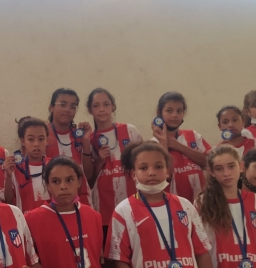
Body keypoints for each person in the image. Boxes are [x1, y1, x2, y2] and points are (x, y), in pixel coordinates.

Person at [106, 141, 220, 268]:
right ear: (133, 174)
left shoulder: (186, 206)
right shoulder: (122, 212)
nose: (151, 172)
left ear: (168, 171)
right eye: (143, 167)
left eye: (158, 166)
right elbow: (120, 264)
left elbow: (202, 255)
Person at [25, 156, 107, 268]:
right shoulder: (32, 220)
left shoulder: (93, 216)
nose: (63, 186)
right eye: (56, 181)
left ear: (79, 182)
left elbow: (96, 263)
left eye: (69, 180)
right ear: (47, 185)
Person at [86, 88, 143, 227]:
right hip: (104, 208)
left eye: (106, 104)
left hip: (134, 203)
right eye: (96, 105)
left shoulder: (130, 131)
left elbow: (145, 164)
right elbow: (89, 181)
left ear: (113, 106)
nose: (101, 109)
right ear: (90, 110)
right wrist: (99, 162)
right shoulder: (89, 139)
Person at [151, 91, 211, 203]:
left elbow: (209, 163)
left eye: (179, 111)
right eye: (169, 110)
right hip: (171, 205)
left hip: (201, 204)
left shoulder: (193, 136)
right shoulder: (152, 145)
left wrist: (180, 147)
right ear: (159, 113)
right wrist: (163, 144)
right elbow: (164, 177)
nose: (175, 115)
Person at [45, 88, 93, 205]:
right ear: (51, 107)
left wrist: (86, 142)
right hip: (52, 202)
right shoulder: (42, 136)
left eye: (73, 106)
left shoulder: (79, 135)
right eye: (63, 104)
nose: (68, 110)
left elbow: (88, 175)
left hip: (82, 200)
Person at [3, 117, 50, 213]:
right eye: (31, 139)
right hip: (26, 223)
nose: (36, 144)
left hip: (51, 220)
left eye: (41, 139)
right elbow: (8, 201)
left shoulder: (54, 166)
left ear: (47, 140)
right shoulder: (15, 168)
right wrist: (8, 176)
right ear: (23, 141)